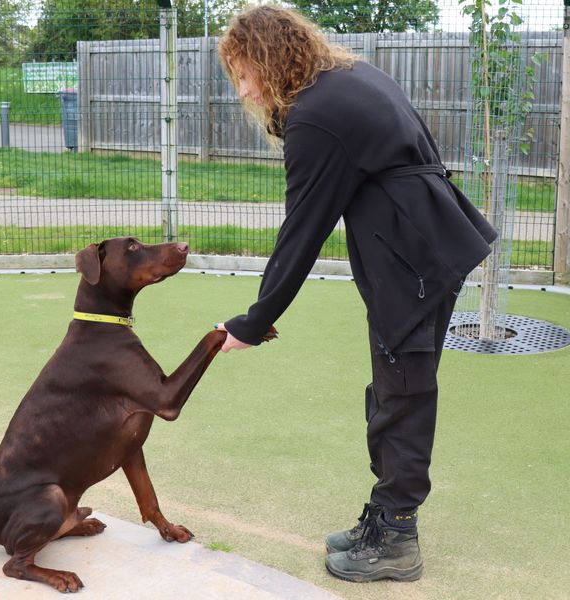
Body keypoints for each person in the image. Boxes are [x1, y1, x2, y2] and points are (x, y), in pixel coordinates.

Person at [214, 4, 497, 583]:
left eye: (243, 72)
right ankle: (386, 514)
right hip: (424, 242)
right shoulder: (349, 78)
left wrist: (253, 320)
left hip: (411, 258)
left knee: (403, 392)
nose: (241, 89)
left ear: (269, 59)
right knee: (395, 385)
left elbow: (303, 230)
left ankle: (396, 536)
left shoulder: (315, 114)